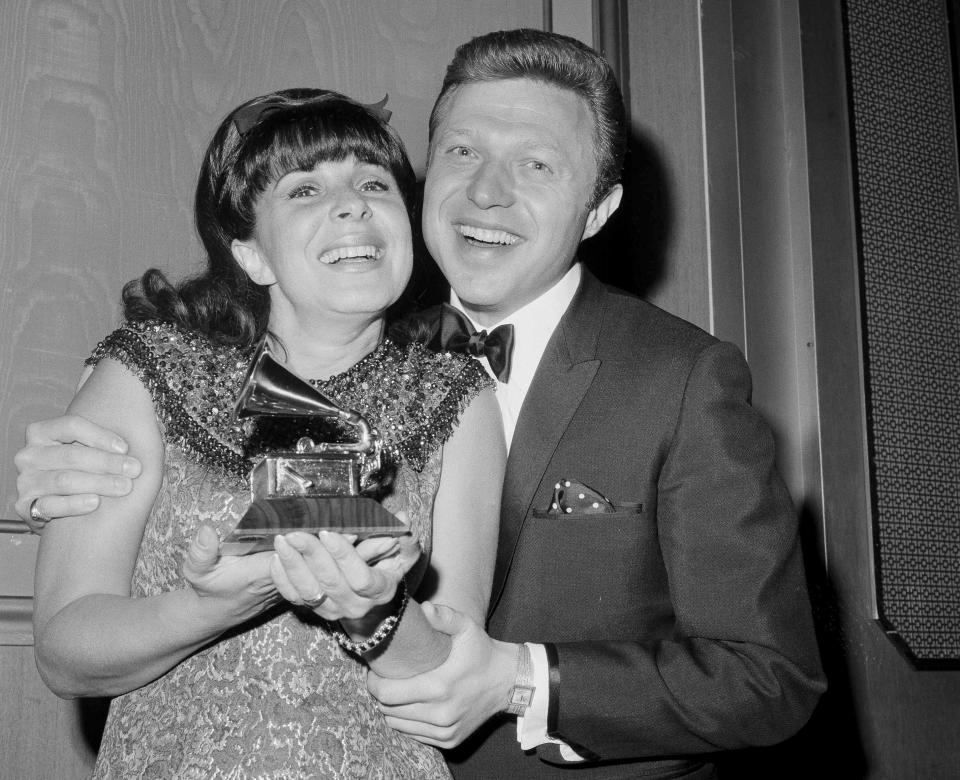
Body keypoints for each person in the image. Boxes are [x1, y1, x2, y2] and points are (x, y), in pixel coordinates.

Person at [16, 29, 825, 780]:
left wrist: (518, 678)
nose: (488, 193)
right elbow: (74, 626)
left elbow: (771, 678)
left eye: (537, 165)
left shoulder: (680, 378)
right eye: (463, 152)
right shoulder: (311, 315)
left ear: (601, 207)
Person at [25, 87, 505, 779]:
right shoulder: (147, 372)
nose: (353, 203)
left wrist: (377, 613)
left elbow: (449, 674)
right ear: (251, 255)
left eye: (375, 182)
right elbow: (63, 651)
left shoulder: (457, 394)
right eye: (305, 189)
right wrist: (203, 608)